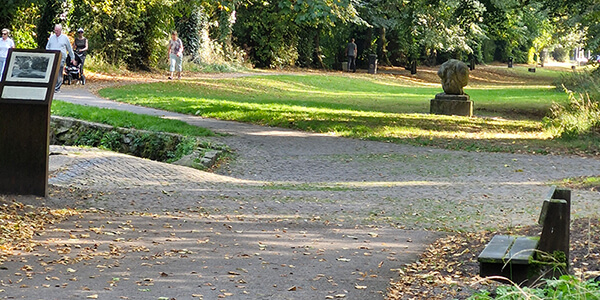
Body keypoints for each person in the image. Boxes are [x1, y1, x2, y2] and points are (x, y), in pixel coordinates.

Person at [46, 24, 75, 93]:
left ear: (60, 30)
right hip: (52, 57)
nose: (56, 32)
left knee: (59, 72)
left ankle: (57, 87)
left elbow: (69, 49)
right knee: (52, 72)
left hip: (61, 58)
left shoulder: (65, 38)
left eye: (57, 30)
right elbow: (47, 47)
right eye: (55, 30)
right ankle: (52, 87)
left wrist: (72, 57)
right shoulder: (52, 38)